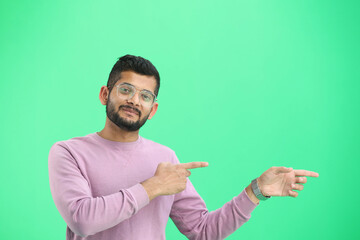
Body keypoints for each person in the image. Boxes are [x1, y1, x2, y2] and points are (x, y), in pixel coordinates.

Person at [48, 54, 319, 240]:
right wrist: (153, 186)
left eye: (145, 96)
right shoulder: (69, 152)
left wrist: (255, 192)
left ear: (152, 110)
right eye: (126, 89)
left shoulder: (164, 158)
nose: (134, 101)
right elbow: (81, 219)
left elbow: (202, 231)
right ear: (105, 94)